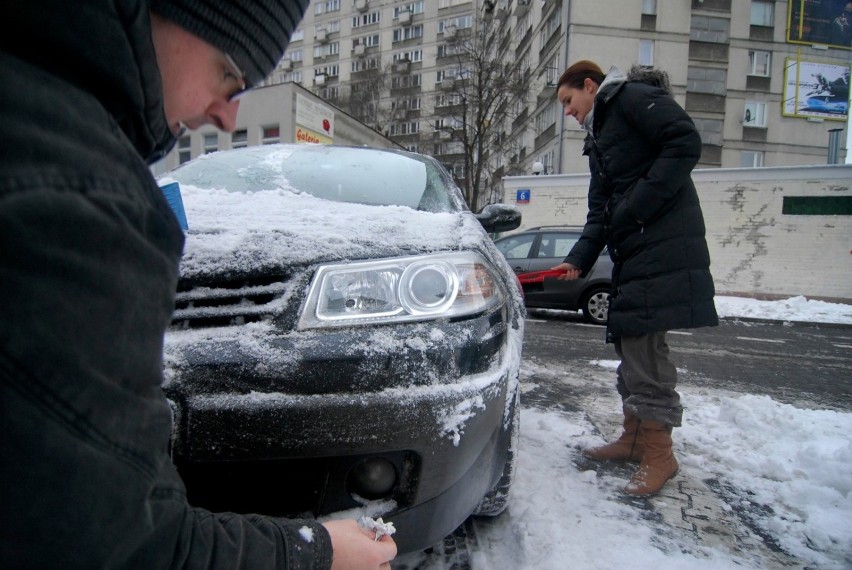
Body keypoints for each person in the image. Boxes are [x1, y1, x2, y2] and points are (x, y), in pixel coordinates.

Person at [0, 1, 396, 568]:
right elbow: (130, 546)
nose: (227, 117)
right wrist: (318, 554)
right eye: (229, 75)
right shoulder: (84, 195)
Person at [551, 61, 718, 497]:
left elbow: (684, 141)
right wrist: (579, 258)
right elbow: (599, 212)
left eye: (569, 101)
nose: (567, 112)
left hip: (661, 245)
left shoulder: (629, 98)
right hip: (634, 251)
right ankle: (635, 439)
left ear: (590, 85)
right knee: (629, 343)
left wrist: (639, 206)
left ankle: (660, 454)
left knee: (646, 352)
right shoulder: (600, 137)